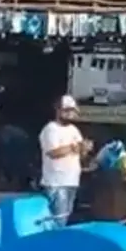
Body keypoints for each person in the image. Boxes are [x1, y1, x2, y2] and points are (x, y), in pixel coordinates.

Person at [39, 95, 92, 226]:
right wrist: (76, 147)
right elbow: (53, 152)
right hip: (56, 183)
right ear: (58, 110)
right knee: (58, 221)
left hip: (72, 181)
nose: (70, 114)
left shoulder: (74, 130)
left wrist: (85, 149)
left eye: (72, 110)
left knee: (65, 218)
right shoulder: (51, 129)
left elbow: (81, 155)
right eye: (67, 110)